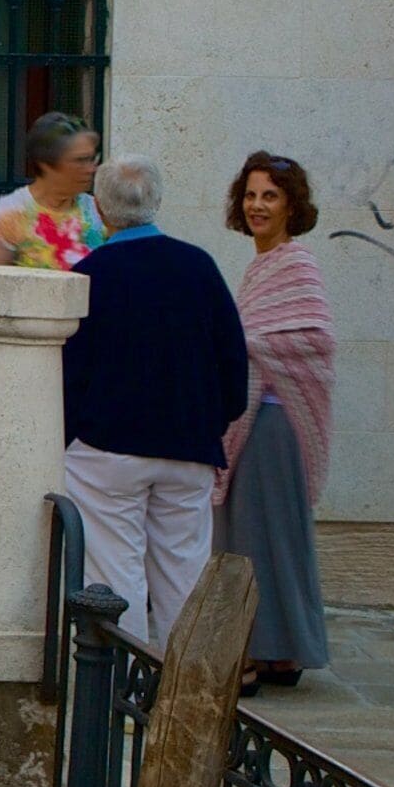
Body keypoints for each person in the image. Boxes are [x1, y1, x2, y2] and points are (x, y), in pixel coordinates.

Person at [59, 155, 249, 650]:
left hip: (109, 449)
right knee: (183, 577)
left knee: (115, 575)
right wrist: (212, 422)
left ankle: (119, 697)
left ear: (100, 209)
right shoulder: (199, 267)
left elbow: (71, 371)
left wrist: (73, 434)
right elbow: (233, 361)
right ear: (157, 202)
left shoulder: (91, 273)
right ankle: (181, 699)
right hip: (188, 447)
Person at [217, 152, 335, 688]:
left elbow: (315, 340)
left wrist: (243, 341)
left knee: (267, 536)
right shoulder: (261, 264)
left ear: (292, 205)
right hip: (253, 421)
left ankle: (270, 651)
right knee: (252, 534)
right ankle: (275, 652)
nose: (258, 206)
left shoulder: (296, 263)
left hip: (273, 421)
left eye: (270, 196)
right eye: (251, 195)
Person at [0, 112, 107, 271]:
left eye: (92, 159)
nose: (92, 169)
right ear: (46, 164)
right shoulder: (10, 215)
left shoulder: (100, 210)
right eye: (80, 160)